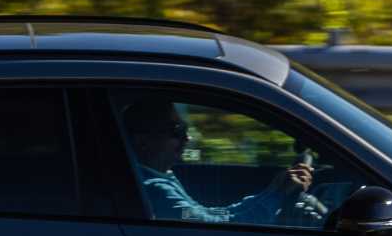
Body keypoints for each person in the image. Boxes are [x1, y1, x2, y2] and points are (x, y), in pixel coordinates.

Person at [121, 97, 324, 226]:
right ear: (142, 141)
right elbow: (214, 223)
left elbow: (214, 214)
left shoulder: (160, 179)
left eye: (185, 130)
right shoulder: (155, 191)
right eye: (176, 131)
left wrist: (272, 192)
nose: (187, 138)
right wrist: (276, 197)